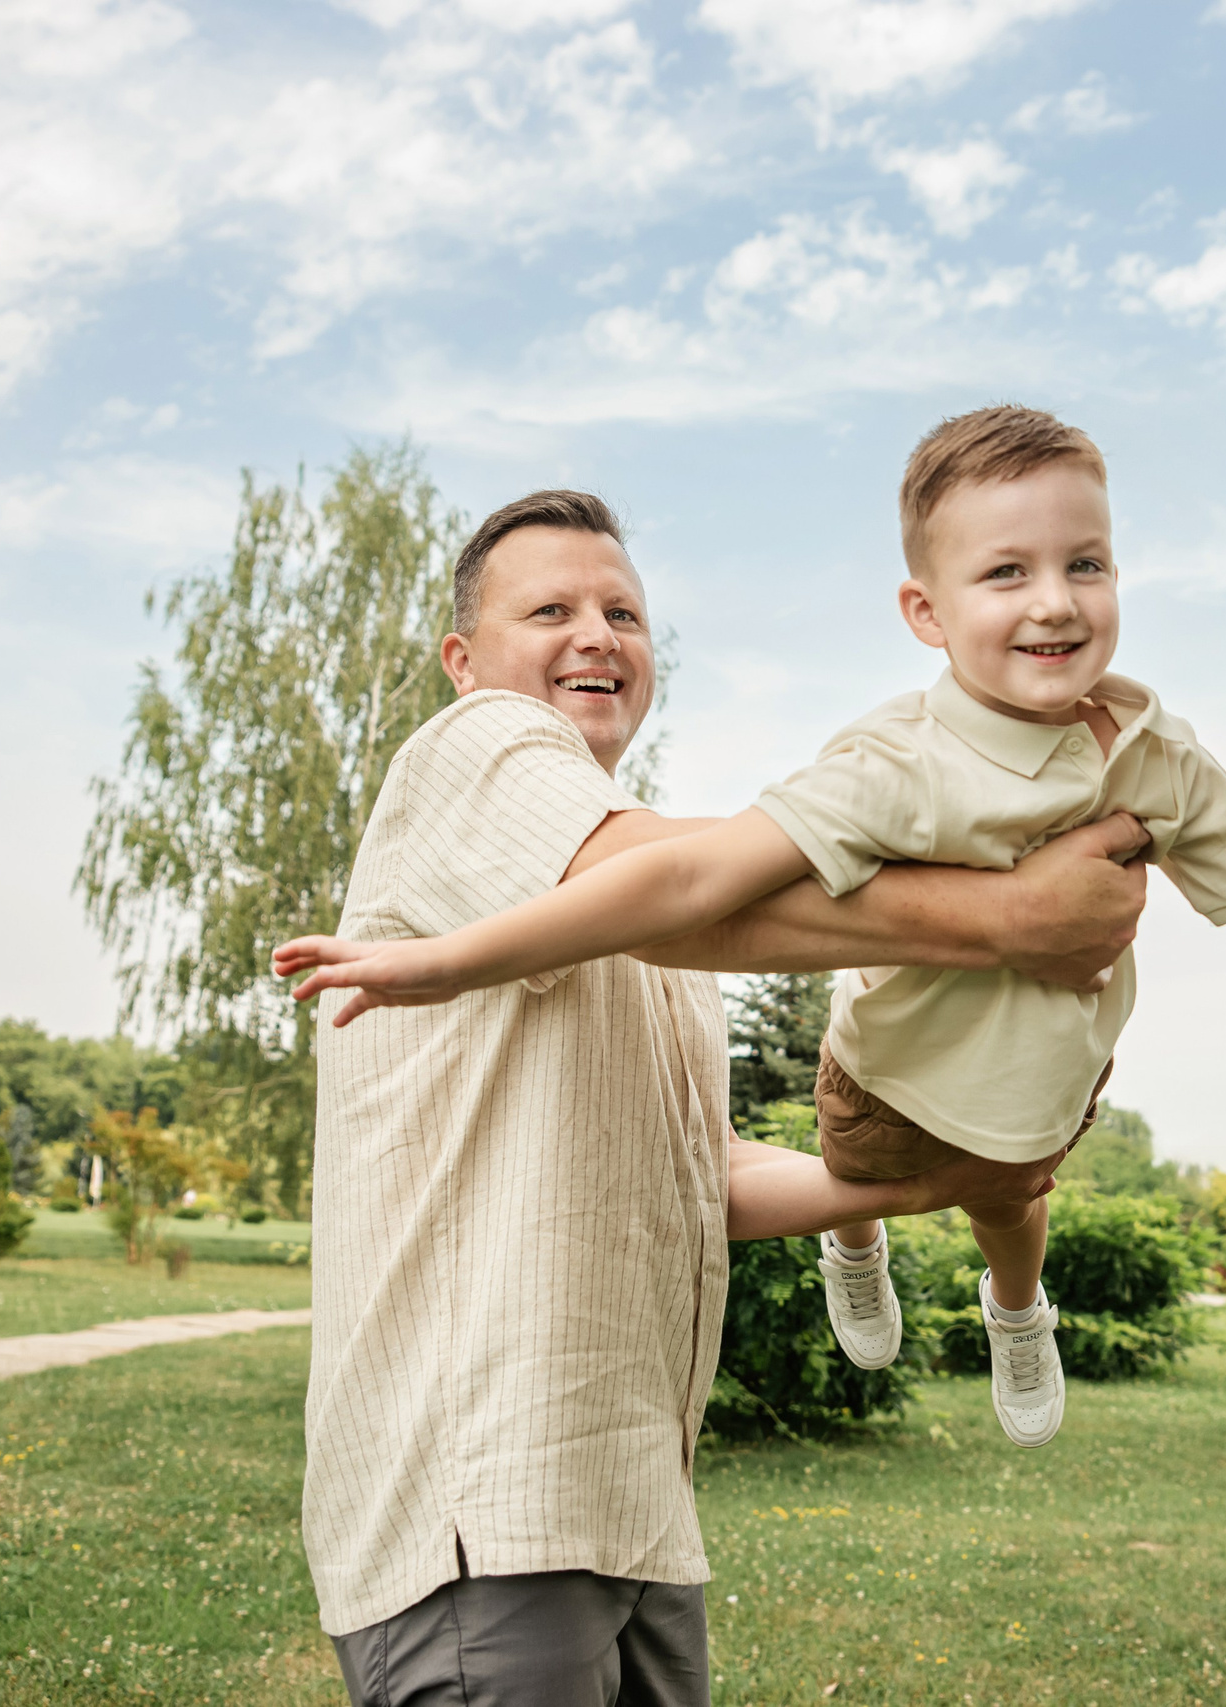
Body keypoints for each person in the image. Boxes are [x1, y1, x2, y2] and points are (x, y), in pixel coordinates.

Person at [282, 407, 1226, 1456]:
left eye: (1084, 564)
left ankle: (1007, 1305)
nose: (1052, 601)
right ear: (926, 612)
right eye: (1005, 572)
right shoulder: (508, 745)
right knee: (897, 1154)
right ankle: (870, 1250)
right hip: (519, 1440)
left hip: (632, 1471)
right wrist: (439, 962)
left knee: (1013, 1195)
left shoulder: (1152, 751)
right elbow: (678, 891)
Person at [299, 486, 1151, 1707]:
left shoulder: (653, 929)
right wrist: (1009, 909)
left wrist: (927, 1181)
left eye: (623, 613)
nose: (596, 636)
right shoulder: (474, 748)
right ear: (463, 661)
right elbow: (678, 885)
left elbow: (693, 1173)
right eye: (549, 611)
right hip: (482, 1509)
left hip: (628, 1508)